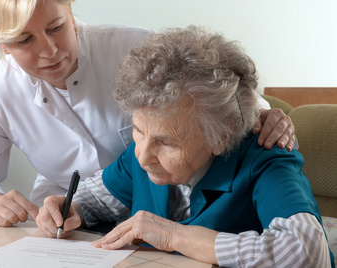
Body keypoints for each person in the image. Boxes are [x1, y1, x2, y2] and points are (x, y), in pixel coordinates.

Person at [0, 0, 294, 228]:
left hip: (159, 210)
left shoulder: (134, 47)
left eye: (56, 27)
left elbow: (214, 98)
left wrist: (267, 114)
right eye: (25, 40)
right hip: (69, 218)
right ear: (3, 45)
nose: (49, 50)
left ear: (71, 12)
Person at [36, 26, 334, 267]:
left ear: (219, 136)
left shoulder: (266, 159)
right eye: (138, 130)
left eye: (166, 142)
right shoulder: (142, 152)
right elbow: (94, 199)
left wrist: (173, 236)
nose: (143, 156)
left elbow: (306, 252)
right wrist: (69, 207)